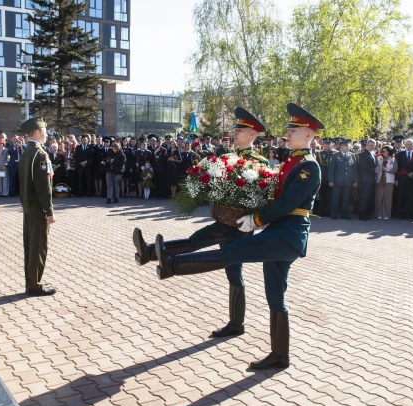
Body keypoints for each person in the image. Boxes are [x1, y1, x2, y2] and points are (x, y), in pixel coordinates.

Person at [152, 103, 322, 370]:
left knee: (232, 253)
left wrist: (256, 218)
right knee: (275, 296)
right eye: (288, 128)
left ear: (309, 135)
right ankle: (280, 356)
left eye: (293, 129)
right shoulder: (292, 161)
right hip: (277, 233)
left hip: (288, 235)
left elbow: (287, 203)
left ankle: (174, 266)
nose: (287, 133)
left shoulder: (308, 167)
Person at [133, 107, 269, 341]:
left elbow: (263, 195)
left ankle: (150, 253)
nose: (234, 133)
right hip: (226, 218)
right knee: (233, 272)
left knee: (199, 240)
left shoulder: (259, 162)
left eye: (240, 130)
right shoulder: (227, 157)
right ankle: (236, 323)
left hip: (239, 225)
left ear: (253, 134)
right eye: (235, 129)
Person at [18, 118, 57, 296]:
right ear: (37, 132)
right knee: (39, 246)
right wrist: (48, 211)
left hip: (28, 206)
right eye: (44, 131)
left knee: (30, 245)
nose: (46, 134)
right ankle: (35, 285)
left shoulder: (27, 151)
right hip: (38, 208)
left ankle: (32, 281)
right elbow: (43, 186)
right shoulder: (40, 154)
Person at [329, 139, 357, 220]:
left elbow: (354, 170)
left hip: (348, 181)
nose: (349, 147)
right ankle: (334, 214)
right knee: (335, 198)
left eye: (349, 146)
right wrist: (331, 180)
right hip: (337, 181)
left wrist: (355, 180)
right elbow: (331, 169)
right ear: (341, 146)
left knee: (346, 198)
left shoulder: (352, 155)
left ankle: (344, 214)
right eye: (347, 146)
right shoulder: (335, 155)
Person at [396, 139, 413, 220]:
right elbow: (397, 167)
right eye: (408, 144)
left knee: (410, 196)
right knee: (400, 196)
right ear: (405, 145)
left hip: (412, 179)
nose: (409, 146)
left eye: (411, 144)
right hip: (402, 178)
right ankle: (400, 213)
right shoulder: (400, 154)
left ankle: (409, 214)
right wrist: (396, 179)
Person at [374, 146, 397, 219]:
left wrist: (387, 170)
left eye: (384, 151)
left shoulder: (393, 160)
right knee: (379, 197)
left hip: (389, 180)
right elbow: (376, 168)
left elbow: (395, 170)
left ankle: (386, 214)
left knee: (387, 197)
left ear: (388, 152)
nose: (382, 153)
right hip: (380, 179)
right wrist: (376, 170)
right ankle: (378, 214)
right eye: (382, 151)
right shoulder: (379, 159)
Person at [357, 139, 378, 221]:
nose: (372, 146)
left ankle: (367, 213)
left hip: (371, 180)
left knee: (369, 198)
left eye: (373, 145)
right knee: (364, 198)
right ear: (366, 145)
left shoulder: (373, 154)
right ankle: (362, 215)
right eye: (370, 145)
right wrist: (374, 170)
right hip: (365, 180)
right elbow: (363, 167)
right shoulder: (363, 154)